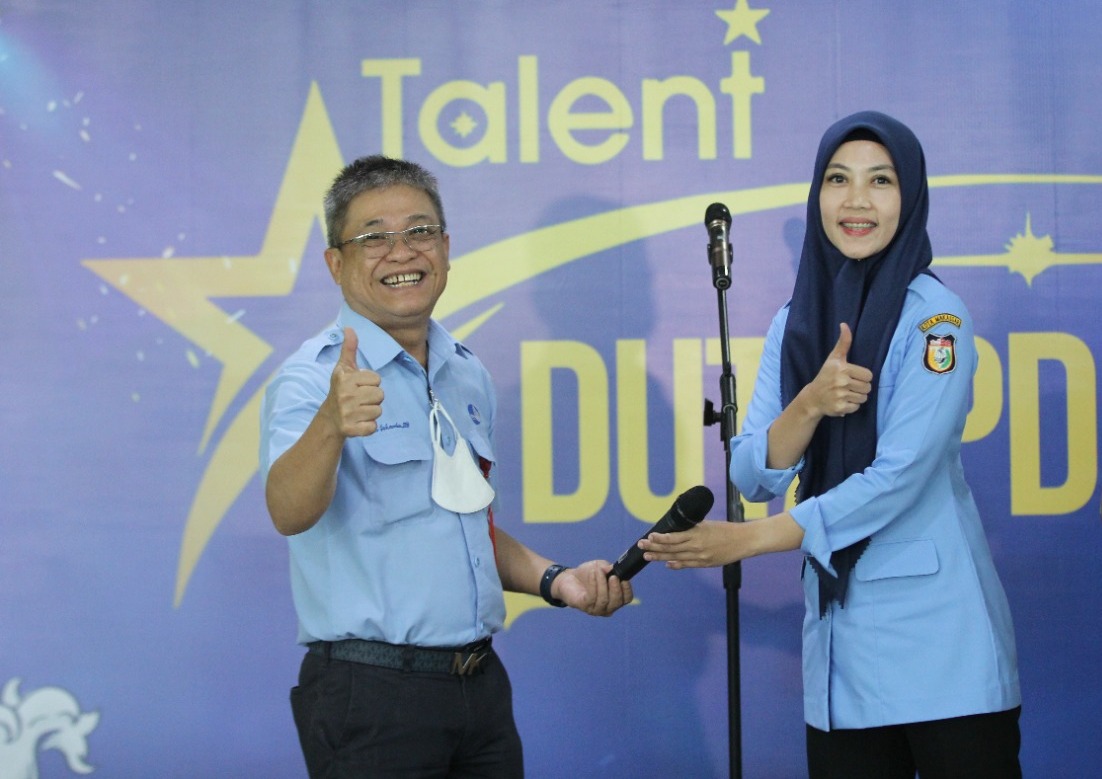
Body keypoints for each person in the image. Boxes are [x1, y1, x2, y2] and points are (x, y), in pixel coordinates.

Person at [639, 111, 1021, 778]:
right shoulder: (796, 322)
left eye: (881, 181)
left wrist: (749, 540)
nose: (856, 200)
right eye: (838, 179)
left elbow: (898, 479)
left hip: (943, 653)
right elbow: (751, 469)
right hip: (843, 667)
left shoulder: (937, 321)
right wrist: (811, 403)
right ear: (817, 194)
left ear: (911, 196)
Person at [259, 155, 633, 778]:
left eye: (420, 231)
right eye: (373, 237)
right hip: (371, 697)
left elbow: (467, 526)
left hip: (479, 687)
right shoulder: (312, 379)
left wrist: (556, 580)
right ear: (335, 263)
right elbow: (287, 512)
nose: (402, 251)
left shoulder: (466, 372)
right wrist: (330, 423)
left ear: (446, 248)